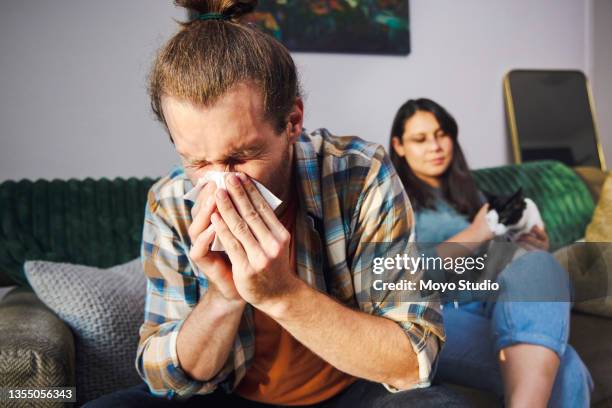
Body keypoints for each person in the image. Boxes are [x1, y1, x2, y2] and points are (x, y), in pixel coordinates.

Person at [84, 2, 464, 407]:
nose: (221, 181)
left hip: (351, 391)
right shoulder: (171, 202)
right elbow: (164, 380)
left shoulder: (359, 173)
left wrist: (281, 293)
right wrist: (223, 295)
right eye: (197, 162)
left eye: (241, 157)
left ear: (293, 120)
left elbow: (413, 360)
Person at [388, 98, 594, 408]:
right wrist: (475, 234)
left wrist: (527, 248)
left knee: (538, 263)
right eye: (420, 138)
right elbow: (400, 278)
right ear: (399, 145)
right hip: (435, 313)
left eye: (441, 134)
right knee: (568, 371)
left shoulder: (474, 195)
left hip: (493, 300)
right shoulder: (391, 200)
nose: (435, 146)